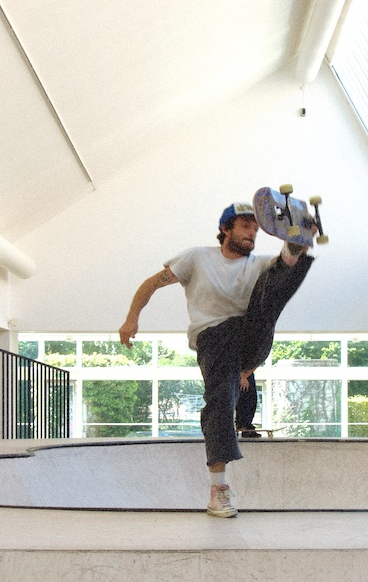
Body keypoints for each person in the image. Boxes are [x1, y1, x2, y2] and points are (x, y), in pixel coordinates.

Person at [119, 201, 314, 518]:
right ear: (226, 229)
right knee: (221, 402)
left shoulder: (257, 264)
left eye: (255, 228)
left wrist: (299, 239)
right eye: (245, 227)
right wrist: (131, 319)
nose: (252, 233)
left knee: (275, 274)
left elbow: (276, 285)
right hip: (214, 337)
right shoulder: (197, 257)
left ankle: (294, 247)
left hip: (249, 336)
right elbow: (152, 283)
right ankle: (218, 490)